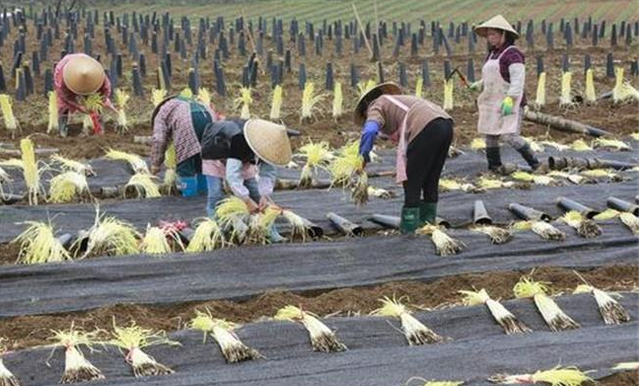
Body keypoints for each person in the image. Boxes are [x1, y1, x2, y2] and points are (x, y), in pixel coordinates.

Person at [356, 82, 454, 234]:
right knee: (430, 179)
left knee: (412, 182)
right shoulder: (397, 102)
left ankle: (409, 229)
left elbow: (369, 131)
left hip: (425, 127)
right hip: (446, 126)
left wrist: (363, 155)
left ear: (366, 109)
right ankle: (428, 225)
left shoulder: (376, 105)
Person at [200, 118, 292, 243]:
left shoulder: (269, 147)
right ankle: (216, 231)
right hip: (215, 157)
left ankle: (270, 231)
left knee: (257, 194)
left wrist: (264, 195)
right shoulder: (240, 140)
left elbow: (268, 173)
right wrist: (246, 200)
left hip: (243, 160)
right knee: (215, 195)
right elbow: (232, 176)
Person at [470, 14, 540, 173]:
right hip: (493, 101)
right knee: (491, 135)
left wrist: (510, 99)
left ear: (503, 34)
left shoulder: (513, 54)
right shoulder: (492, 54)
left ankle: (536, 164)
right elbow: (490, 77)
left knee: (509, 136)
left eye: (493, 34)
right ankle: (494, 167)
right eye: (488, 35)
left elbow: (518, 80)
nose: (490, 38)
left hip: (510, 101)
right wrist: (479, 84)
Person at [150, 94, 219, 196]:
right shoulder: (193, 101)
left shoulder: (161, 113)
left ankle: (188, 200)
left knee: (185, 165)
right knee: (203, 162)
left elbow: (159, 140)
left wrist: (155, 164)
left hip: (188, 122)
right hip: (210, 117)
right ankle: (203, 197)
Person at [53, 53, 116, 137]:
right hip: (66, 72)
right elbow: (64, 96)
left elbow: (106, 89)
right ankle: (62, 130)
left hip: (86, 66)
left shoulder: (97, 73)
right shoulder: (62, 78)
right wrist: (79, 107)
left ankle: (99, 129)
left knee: (95, 104)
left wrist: (101, 101)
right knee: (62, 106)